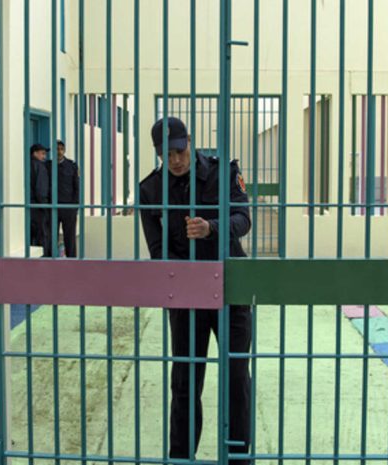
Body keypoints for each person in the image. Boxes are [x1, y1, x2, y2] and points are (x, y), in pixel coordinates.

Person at [139, 117, 252, 465]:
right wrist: (187, 271)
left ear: (189, 141)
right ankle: (181, 458)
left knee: (236, 377)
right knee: (186, 381)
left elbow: (243, 219)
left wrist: (211, 228)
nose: (174, 160)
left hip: (230, 289)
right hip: (186, 295)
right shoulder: (151, 190)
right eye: (166, 154)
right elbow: (157, 249)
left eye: (179, 151)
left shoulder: (223, 172)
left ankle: (238, 458)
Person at [51, 140, 80, 257]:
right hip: (53, 207)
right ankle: (51, 260)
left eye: (61, 149)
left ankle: (72, 261)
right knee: (52, 237)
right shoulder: (49, 165)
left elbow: (77, 187)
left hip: (68, 206)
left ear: (64, 150)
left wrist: (74, 207)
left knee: (70, 237)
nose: (59, 152)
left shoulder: (72, 166)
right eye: (57, 149)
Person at [29, 143, 51, 257]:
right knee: (41, 238)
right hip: (38, 207)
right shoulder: (40, 166)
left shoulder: (25, 164)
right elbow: (41, 190)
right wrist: (45, 206)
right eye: (42, 153)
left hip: (27, 206)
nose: (44, 157)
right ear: (35, 153)